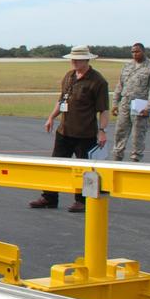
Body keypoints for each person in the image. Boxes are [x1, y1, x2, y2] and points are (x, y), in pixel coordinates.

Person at [29, 45, 110, 212]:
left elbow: (104, 110)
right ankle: (49, 197)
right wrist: (52, 117)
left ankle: (82, 200)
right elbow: (61, 100)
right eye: (72, 59)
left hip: (84, 133)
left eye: (78, 59)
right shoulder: (69, 76)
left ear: (87, 60)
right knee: (55, 166)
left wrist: (102, 131)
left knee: (83, 169)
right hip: (64, 130)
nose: (74, 62)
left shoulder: (98, 81)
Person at [111, 42, 150, 163]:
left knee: (137, 136)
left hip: (140, 105)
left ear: (144, 52)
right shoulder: (127, 66)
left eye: (137, 51)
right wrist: (115, 103)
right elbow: (120, 85)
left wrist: (149, 107)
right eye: (133, 52)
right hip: (125, 103)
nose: (135, 54)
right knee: (120, 133)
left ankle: (135, 161)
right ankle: (117, 159)